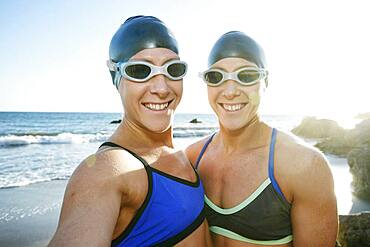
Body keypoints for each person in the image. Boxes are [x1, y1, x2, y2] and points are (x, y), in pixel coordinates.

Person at [49, 16, 210, 247]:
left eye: (173, 69)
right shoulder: (107, 171)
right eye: (140, 70)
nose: (161, 88)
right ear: (116, 77)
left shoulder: (184, 154)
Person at [186, 31, 338, 246]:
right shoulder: (192, 158)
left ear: (265, 82)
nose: (230, 91)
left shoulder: (304, 166)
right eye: (216, 76)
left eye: (246, 76)